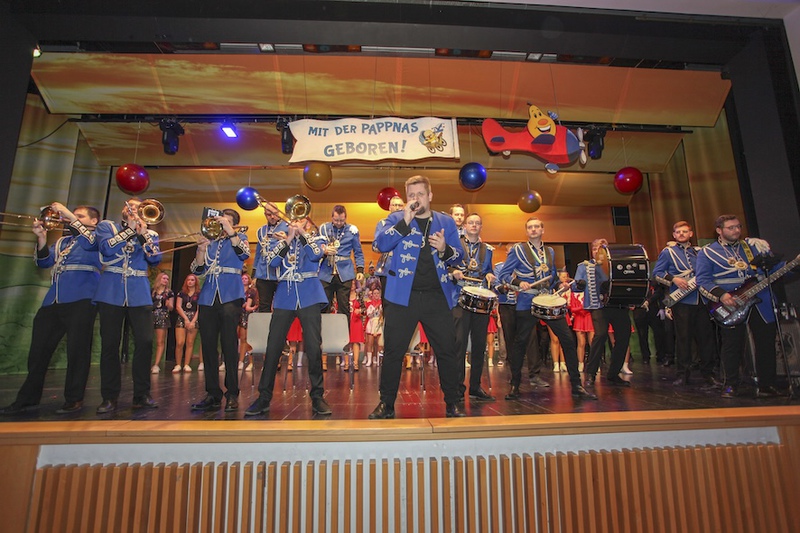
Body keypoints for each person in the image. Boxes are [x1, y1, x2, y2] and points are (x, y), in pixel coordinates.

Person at [368, 175, 466, 419]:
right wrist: (404, 221)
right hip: (402, 297)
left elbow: (459, 256)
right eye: (411, 195)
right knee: (394, 352)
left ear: (430, 196)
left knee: (447, 351)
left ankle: (453, 402)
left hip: (436, 296)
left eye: (420, 194)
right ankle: (386, 404)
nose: (415, 199)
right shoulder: (395, 218)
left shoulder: (445, 221)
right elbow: (379, 245)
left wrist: (444, 249)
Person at [0, 203, 101, 415]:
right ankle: (28, 398)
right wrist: (41, 239)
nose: (72, 218)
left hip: (81, 299)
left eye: (80, 216)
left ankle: (74, 398)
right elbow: (44, 263)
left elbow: (90, 243)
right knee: (38, 351)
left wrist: (67, 214)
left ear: (94, 221)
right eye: (74, 215)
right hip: (53, 300)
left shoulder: (97, 237)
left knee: (78, 351)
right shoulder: (63, 241)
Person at [498, 218, 596, 400]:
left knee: (567, 339)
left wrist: (561, 285)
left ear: (542, 230)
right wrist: (519, 282)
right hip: (527, 301)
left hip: (548, 300)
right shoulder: (518, 250)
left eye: (537, 226)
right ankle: (515, 385)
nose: (533, 229)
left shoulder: (549, 252)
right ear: (526, 231)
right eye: (530, 227)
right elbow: (504, 275)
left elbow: (552, 278)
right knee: (520, 343)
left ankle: (576, 385)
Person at [245, 217, 332, 416]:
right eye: (294, 219)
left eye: (301, 220)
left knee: (313, 346)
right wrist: (288, 238)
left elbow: (315, 255)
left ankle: (318, 397)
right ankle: (264, 397)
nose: (296, 222)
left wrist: (302, 235)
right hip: (285, 295)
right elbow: (272, 262)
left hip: (310, 294)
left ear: (308, 223)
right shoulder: (280, 240)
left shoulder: (317, 239)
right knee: (273, 346)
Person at [696, 214, 789, 398]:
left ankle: (767, 384)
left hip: (760, 299)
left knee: (766, 342)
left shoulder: (753, 246)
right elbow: (703, 280)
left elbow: (774, 269)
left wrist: (792, 265)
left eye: (738, 226)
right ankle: (730, 384)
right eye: (731, 227)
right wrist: (722, 295)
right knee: (732, 344)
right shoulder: (707, 253)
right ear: (719, 230)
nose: (736, 230)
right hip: (731, 302)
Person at [93, 198, 162, 414]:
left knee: (145, 342)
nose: (133, 209)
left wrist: (142, 234)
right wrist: (129, 231)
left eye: (138, 207)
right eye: (130, 206)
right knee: (110, 345)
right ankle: (109, 396)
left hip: (139, 293)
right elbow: (106, 249)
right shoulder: (107, 227)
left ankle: (142, 394)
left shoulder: (150, 234)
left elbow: (155, 259)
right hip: (111, 291)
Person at [190, 209, 250, 413]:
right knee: (208, 345)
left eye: (226, 221)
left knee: (229, 344)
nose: (222, 224)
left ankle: (232, 392)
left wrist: (230, 230)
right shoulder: (211, 241)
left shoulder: (239, 237)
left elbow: (244, 254)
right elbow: (197, 270)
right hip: (208, 295)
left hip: (231, 295)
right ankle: (212, 393)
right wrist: (200, 250)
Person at [653, 221, 719, 387]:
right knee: (683, 338)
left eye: (684, 231)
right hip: (682, 301)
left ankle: (708, 373)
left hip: (702, 299)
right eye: (678, 232)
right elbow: (657, 273)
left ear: (691, 234)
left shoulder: (699, 252)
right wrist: (674, 279)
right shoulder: (668, 252)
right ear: (674, 235)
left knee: (706, 338)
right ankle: (683, 373)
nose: (681, 234)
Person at [449, 212, 496, 402]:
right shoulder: (455, 245)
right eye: (471, 223)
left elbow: (489, 270)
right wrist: (454, 271)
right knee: (459, 344)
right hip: (459, 298)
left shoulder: (487, 249)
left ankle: (475, 387)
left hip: (480, 299)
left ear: (481, 227)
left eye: (477, 223)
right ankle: (458, 388)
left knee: (479, 345)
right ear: (465, 226)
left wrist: (490, 275)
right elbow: (445, 265)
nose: (474, 225)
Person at [574, 238, 632, 388]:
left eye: (601, 249)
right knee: (600, 335)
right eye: (595, 249)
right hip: (598, 306)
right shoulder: (584, 266)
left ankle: (613, 373)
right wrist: (579, 284)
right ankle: (591, 373)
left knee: (623, 336)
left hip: (618, 305)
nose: (598, 252)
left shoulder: (616, 265)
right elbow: (576, 286)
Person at [318, 204, 365, 325]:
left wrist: (360, 270)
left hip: (345, 273)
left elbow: (358, 252)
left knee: (344, 306)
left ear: (345, 218)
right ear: (331, 218)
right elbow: (317, 247)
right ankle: (323, 334)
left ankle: (344, 335)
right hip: (326, 272)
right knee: (324, 305)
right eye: (336, 220)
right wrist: (324, 250)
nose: (339, 223)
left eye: (342, 220)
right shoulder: (324, 228)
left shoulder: (352, 231)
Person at [254, 203, 289, 312]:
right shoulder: (261, 231)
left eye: (274, 214)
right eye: (269, 215)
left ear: (279, 213)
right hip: (263, 274)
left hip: (281, 274)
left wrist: (286, 239)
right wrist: (254, 275)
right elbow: (258, 254)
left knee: (282, 307)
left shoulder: (288, 227)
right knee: (264, 306)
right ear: (265, 215)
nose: (272, 217)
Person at [374, 195, 405, 298]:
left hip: (405, 266)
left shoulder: (410, 223)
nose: (397, 208)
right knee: (387, 301)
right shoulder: (382, 223)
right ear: (389, 207)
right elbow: (375, 244)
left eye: (400, 205)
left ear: (404, 208)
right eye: (394, 205)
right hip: (387, 267)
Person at [173, 274, 200, 373]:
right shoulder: (181, 293)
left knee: (190, 342)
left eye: (192, 280)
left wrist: (193, 321)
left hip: (194, 318)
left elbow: (199, 309)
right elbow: (178, 306)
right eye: (188, 280)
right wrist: (186, 319)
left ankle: (187, 364)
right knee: (180, 342)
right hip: (182, 317)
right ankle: (178, 364)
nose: (190, 282)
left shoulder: (199, 294)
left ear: (195, 282)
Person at [150, 272, 174, 374]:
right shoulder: (152, 291)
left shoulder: (169, 293)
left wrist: (168, 305)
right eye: (164, 278)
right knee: (148, 340)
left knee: (160, 341)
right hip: (151, 315)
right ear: (159, 279)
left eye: (167, 279)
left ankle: (156, 364)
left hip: (163, 316)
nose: (166, 280)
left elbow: (171, 308)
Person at [238, 272, 258, 371]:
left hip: (247, 316)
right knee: (238, 339)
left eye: (246, 278)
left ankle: (248, 362)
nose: (244, 280)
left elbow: (248, 306)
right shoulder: (238, 290)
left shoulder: (251, 292)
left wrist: (253, 307)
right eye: (242, 278)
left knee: (247, 340)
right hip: (237, 314)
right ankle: (238, 361)